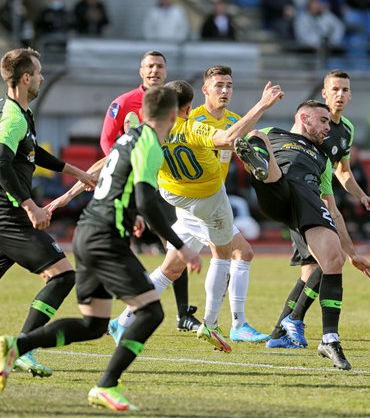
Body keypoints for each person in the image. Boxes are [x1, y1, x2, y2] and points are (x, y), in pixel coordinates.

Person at [0, 86, 202, 411]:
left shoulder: (128, 138)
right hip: (106, 238)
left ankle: (16, 345)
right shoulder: (150, 144)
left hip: (87, 233)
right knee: (150, 311)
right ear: (174, 116)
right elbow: (148, 199)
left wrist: (130, 212)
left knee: (94, 324)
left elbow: (119, 185)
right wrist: (180, 247)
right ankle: (106, 386)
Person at [0, 48, 96, 377]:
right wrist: (30, 206)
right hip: (6, 217)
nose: (42, 78)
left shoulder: (16, 111)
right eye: (38, 73)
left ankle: (22, 347)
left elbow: (32, 152)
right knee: (64, 276)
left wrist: (77, 173)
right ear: (26, 78)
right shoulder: (11, 116)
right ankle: (23, 347)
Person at [110, 68, 284, 350]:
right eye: (219, 85)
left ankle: (124, 318)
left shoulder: (156, 126)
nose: (224, 90)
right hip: (207, 197)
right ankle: (218, 324)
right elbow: (226, 139)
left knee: (171, 269)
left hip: (179, 197)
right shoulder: (196, 123)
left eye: (229, 85)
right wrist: (263, 104)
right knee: (229, 253)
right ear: (201, 94)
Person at [234, 100, 370, 370]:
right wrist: (262, 105)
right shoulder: (274, 132)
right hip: (276, 191)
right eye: (323, 121)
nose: (328, 127)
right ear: (303, 117)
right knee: (258, 137)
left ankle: (329, 339)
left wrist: (352, 253)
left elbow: (333, 210)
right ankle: (260, 161)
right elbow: (235, 135)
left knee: (331, 261)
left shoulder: (323, 160)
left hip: (305, 202)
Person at [265, 70, 370, 350]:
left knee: (312, 269)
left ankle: (279, 333)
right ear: (324, 93)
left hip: (320, 195)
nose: (340, 94)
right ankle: (289, 326)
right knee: (321, 263)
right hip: (302, 196)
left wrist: (361, 194)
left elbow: (343, 171)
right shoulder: (313, 122)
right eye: (335, 89)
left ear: (350, 95)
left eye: (345, 89)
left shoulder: (346, 129)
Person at [98, 51, 200, 332]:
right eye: (150, 66)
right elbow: (108, 141)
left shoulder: (176, 104)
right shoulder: (123, 103)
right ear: (141, 71)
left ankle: (183, 314)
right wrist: (126, 169)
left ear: (166, 72)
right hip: (136, 185)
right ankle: (120, 307)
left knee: (176, 244)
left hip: (168, 183)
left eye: (160, 66)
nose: (155, 70)